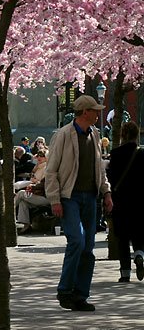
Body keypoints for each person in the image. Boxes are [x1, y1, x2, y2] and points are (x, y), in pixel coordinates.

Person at [46, 94, 113, 312]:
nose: (98, 114)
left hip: (90, 197)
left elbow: (99, 168)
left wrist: (107, 193)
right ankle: (65, 290)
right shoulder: (64, 134)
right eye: (95, 110)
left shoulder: (94, 134)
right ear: (85, 112)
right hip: (70, 197)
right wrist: (55, 199)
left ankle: (80, 294)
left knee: (89, 248)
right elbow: (52, 170)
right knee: (77, 241)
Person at [108, 121, 144, 282]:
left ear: (122, 135)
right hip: (140, 201)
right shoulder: (142, 154)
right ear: (137, 135)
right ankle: (139, 254)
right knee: (139, 233)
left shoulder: (115, 154)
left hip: (120, 201)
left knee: (122, 237)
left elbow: (110, 178)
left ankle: (125, 273)